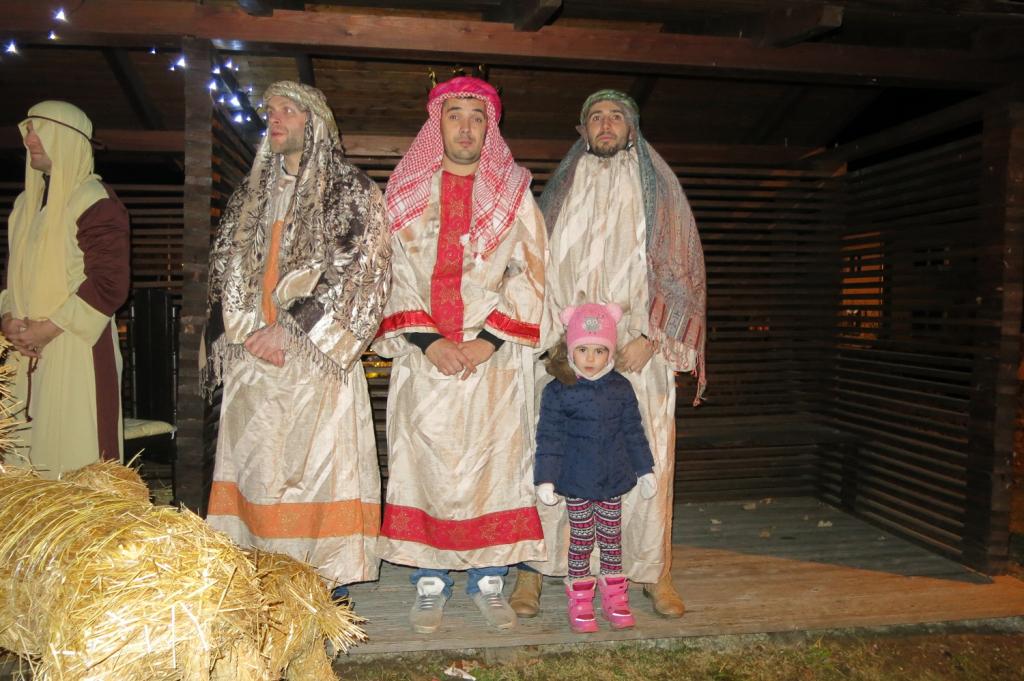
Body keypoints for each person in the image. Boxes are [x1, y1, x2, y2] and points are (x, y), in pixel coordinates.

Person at [511, 89, 706, 619]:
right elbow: (534, 267)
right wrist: (552, 341)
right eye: (595, 116)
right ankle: (535, 569)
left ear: (631, 128)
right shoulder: (560, 191)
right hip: (564, 352)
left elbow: (683, 273)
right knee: (549, 452)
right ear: (582, 129)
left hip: (637, 353)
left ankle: (652, 571)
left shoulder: (660, 194)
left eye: (616, 116)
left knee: (647, 458)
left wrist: (655, 339)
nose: (605, 123)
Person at [203, 81, 391, 605]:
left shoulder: (350, 191)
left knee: (318, 474)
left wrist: (290, 328)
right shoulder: (250, 195)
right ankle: (258, 581)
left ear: (316, 122)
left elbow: (363, 270)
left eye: (289, 110)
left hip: (315, 359)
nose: (275, 118)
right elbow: (227, 272)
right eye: (271, 111)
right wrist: (244, 335)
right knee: (256, 473)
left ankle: (323, 586)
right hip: (254, 359)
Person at [373, 76, 547, 633]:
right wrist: (431, 342)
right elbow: (389, 273)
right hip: (424, 359)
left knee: (494, 468)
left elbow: (533, 270)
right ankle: (429, 583)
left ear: (490, 127)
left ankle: (489, 581)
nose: (466, 127)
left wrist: (486, 341)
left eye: (477, 117)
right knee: (423, 466)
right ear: (437, 124)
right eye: (455, 116)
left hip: (494, 361)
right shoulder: (405, 192)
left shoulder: (514, 194)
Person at [0, 101, 130, 478]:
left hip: (75, 344)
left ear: (68, 140)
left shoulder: (94, 201)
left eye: (40, 130)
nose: (30, 140)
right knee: (21, 457)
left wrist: (49, 327)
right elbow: (13, 275)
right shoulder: (25, 205)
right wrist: (8, 319)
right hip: (24, 349)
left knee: (78, 456)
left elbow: (108, 283)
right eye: (28, 131)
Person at [535, 302, 657, 633]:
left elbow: (633, 432)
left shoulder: (620, 387)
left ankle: (615, 596)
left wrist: (645, 470)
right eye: (583, 349)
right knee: (581, 539)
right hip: (576, 480)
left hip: (613, 479)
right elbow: (549, 437)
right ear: (570, 349)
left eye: (600, 350)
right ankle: (580, 598)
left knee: (611, 539)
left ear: (611, 352)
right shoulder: (558, 390)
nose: (591, 358)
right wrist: (545, 479)